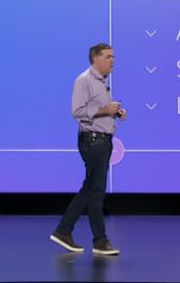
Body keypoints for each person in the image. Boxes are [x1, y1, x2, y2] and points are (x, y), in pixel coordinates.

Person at [49, 43, 125, 256]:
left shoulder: (102, 82)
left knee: (95, 191)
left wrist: (115, 112)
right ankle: (67, 231)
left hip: (102, 141)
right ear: (95, 59)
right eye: (108, 56)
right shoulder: (84, 80)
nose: (113, 60)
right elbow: (78, 111)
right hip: (93, 141)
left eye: (113, 56)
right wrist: (106, 110)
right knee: (93, 189)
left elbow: (99, 110)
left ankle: (96, 239)